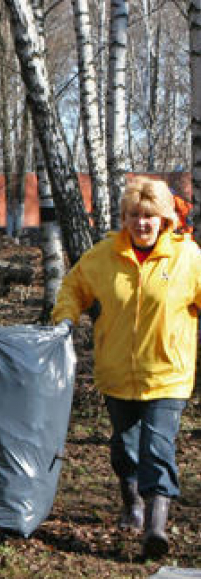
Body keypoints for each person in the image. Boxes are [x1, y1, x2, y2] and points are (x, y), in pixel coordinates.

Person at [52, 177, 201, 559]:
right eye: (134, 215)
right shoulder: (103, 257)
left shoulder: (188, 258)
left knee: (158, 446)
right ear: (124, 218)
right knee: (124, 446)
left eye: (149, 216)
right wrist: (65, 319)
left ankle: (156, 525)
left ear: (165, 219)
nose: (142, 223)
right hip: (116, 372)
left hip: (167, 373)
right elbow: (72, 288)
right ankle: (131, 504)